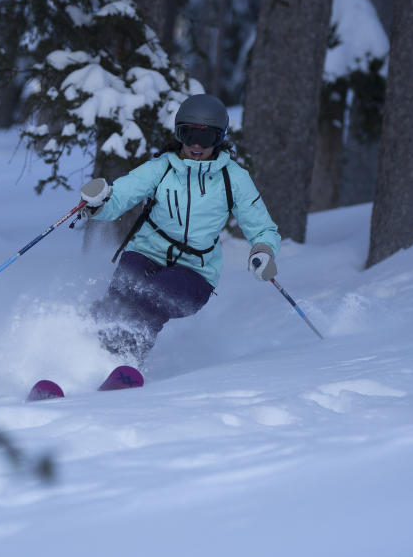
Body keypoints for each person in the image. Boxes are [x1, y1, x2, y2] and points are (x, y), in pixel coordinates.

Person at [76, 93, 283, 367]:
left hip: (195, 271)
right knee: (119, 300)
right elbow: (122, 194)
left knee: (152, 296)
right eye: (188, 135)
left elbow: (263, 229)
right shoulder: (161, 168)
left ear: (220, 138)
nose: (196, 145)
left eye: (206, 138)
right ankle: (79, 351)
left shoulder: (233, 178)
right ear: (178, 135)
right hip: (146, 252)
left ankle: (122, 362)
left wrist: (263, 250)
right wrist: (99, 204)